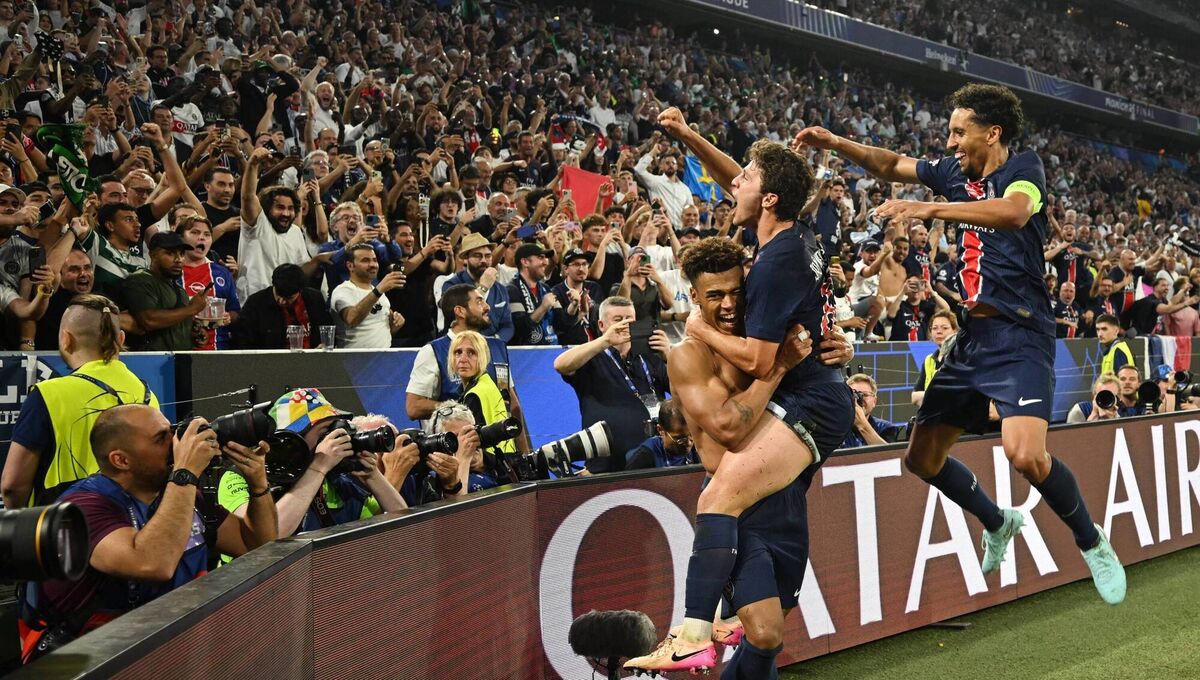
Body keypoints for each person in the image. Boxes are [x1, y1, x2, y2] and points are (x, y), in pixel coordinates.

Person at [795, 82, 1126, 604]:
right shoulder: (953, 173)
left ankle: (1092, 541)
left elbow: (1014, 212)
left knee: (1024, 454)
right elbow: (888, 163)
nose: (949, 143)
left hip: (1021, 336)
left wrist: (930, 211)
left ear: (991, 133)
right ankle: (998, 521)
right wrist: (836, 143)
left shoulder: (1026, 169)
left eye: (958, 132)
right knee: (921, 460)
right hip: (972, 340)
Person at [627, 107, 855, 675]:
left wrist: (700, 326)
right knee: (767, 630)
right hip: (807, 407)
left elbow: (758, 359)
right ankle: (699, 633)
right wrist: (686, 135)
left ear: (771, 198)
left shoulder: (773, 262)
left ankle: (692, 634)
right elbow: (739, 176)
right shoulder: (799, 235)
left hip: (804, 403)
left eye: (749, 179)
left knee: (715, 499)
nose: (736, 184)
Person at [18, 405, 277, 663]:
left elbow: (256, 544)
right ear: (121, 460)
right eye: (161, 438)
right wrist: (185, 472)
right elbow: (151, 563)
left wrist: (257, 482)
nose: (176, 443)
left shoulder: (182, 497)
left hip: (162, 654)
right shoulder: (84, 507)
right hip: (86, 663)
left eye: (172, 430)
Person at [3, 295, 160, 508]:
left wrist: (23, 531)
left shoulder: (49, 394)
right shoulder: (148, 397)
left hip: (64, 528)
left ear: (66, 339)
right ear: (121, 339)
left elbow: (12, 486)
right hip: (131, 527)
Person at [217, 388, 405, 541]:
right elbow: (265, 537)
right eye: (326, 431)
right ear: (293, 439)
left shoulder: (334, 483)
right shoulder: (239, 477)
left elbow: (403, 524)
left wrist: (373, 477)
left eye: (337, 427)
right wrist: (318, 468)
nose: (336, 437)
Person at [406, 284, 533, 452]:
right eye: (479, 301)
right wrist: (459, 408)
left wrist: (526, 455)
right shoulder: (433, 351)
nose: (487, 307)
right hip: (457, 453)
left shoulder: (497, 348)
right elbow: (413, 407)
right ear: (460, 311)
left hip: (502, 457)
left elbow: (513, 406)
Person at [553, 296, 669, 466]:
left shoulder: (651, 356)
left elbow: (683, 392)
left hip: (653, 458)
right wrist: (605, 340)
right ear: (602, 325)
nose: (625, 324)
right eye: (618, 320)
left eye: (629, 319)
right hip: (607, 464)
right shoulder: (591, 357)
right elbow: (560, 365)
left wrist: (670, 356)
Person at [123, 232, 211, 351]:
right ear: (152, 255)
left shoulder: (179, 289)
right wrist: (192, 309)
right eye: (170, 253)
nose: (178, 260)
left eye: (181, 254)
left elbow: (176, 322)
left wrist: (194, 332)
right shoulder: (140, 280)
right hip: (151, 361)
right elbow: (148, 320)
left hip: (181, 361)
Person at [231, 263, 338, 349]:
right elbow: (242, 341)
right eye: (278, 294)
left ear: (300, 291)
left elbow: (327, 329)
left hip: (311, 363)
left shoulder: (314, 299)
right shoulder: (255, 303)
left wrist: (323, 346)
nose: (281, 301)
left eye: (288, 298)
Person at [177, 215, 240, 351]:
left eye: (207, 234)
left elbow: (235, 311)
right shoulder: (172, 272)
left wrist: (229, 316)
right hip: (180, 350)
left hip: (219, 350)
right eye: (194, 232)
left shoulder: (222, 273)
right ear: (181, 238)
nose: (201, 238)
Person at [451, 330, 517, 454]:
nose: (463, 359)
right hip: (504, 461)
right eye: (458, 352)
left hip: (489, 466)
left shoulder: (474, 395)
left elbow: (472, 447)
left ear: (483, 357)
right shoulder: (488, 383)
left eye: (471, 353)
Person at [439, 232, 513, 341]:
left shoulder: (501, 289)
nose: (483, 260)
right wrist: (483, 287)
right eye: (477, 256)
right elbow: (452, 316)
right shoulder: (452, 285)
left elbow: (508, 326)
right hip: (459, 347)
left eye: (488, 256)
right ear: (466, 258)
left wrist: (494, 341)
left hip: (491, 348)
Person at [330, 243, 406, 348]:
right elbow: (351, 319)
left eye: (374, 260)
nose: (373, 264)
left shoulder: (378, 292)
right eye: (365, 260)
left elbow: (382, 331)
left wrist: (396, 323)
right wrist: (379, 290)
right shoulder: (343, 291)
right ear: (350, 266)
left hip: (383, 359)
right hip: (355, 361)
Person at [508, 242, 560, 346]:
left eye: (545, 258)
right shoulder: (511, 290)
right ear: (525, 262)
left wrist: (574, 306)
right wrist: (543, 307)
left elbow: (561, 322)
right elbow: (519, 329)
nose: (545, 262)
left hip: (551, 351)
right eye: (540, 257)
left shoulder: (546, 288)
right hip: (527, 356)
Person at [624, 397, 697, 470]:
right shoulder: (643, 459)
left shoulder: (698, 447)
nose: (689, 443)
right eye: (680, 438)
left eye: (692, 434)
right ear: (661, 430)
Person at [550, 248, 602, 345]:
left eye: (584, 264)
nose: (581, 269)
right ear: (566, 269)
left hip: (595, 347)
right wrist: (574, 305)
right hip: (570, 348)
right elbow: (561, 327)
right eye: (576, 264)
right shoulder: (556, 292)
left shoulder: (594, 288)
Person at [842, 373, 908, 448]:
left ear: (874, 401)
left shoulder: (886, 428)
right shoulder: (833, 427)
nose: (859, 399)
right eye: (853, 395)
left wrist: (862, 425)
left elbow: (890, 456)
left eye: (865, 395)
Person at [912, 310, 958, 408]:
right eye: (934, 328)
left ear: (955, 331)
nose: (939, 332)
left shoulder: (961, 358)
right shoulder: (929, 360)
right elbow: (914, 397)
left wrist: (927, 396)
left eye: (945, 328)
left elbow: (955, 396)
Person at [886, 275, 950, 341]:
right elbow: (891, 314)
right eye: (912, 285)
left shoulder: (927, 306)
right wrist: (902, 291)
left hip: (923, 348)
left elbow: (946, 309)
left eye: (918, 284)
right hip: (900, 348)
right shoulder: (899, 305)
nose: (915, 289)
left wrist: (932, 292)